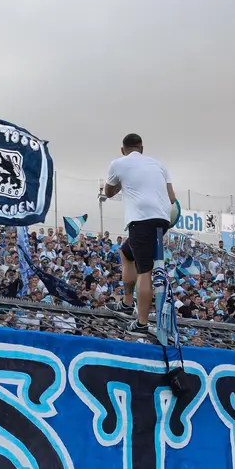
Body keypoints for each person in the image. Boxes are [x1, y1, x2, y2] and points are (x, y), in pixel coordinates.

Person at [101, 132, 176, 336]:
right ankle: (126, 302)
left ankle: (142, 322)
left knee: (145, 270)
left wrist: (123, 184)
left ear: (123, 150)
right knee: (126, 253)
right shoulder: (159, 165)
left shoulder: (117, 163)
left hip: (142, 220)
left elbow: (108, 192)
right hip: (163, 218)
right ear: (142, 149)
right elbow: (172, 197)